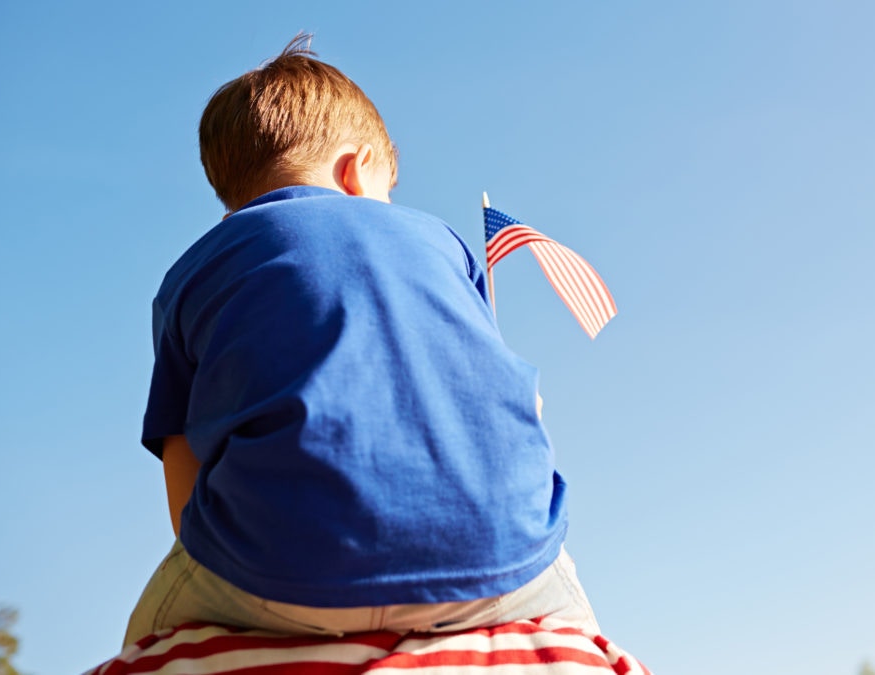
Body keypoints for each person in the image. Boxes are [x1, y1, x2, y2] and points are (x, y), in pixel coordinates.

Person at [123, 34, 599, 646]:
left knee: (150, 634)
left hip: (278, 569)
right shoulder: (444, 242)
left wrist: (220, 556)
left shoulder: (193, 273)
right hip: (502, 559)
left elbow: (180, 458)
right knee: (573, 609)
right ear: (354, 171)